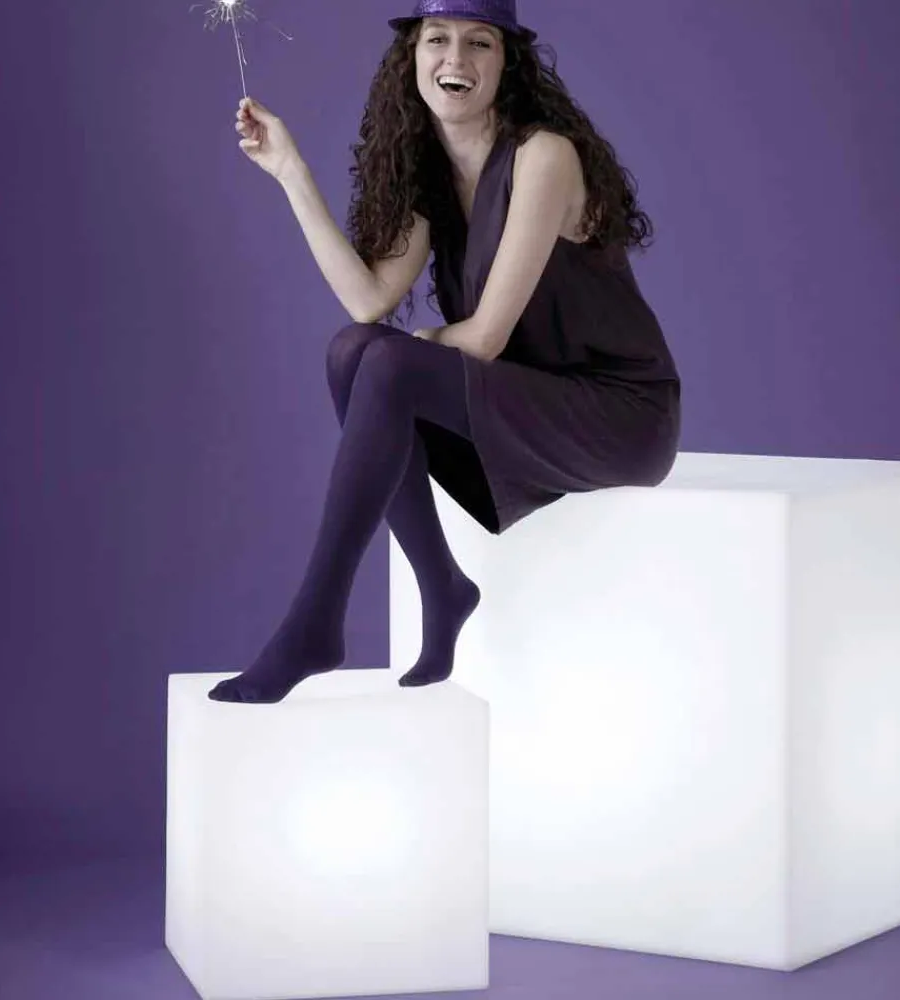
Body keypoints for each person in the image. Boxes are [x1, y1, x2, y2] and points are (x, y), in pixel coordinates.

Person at [208, 0, 681, 704]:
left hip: (619, 414)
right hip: (526, 399)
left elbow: (484, 337)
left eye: (479, 43)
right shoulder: (430, 175)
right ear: (413, 57)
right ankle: (442, 586)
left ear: (506, 63)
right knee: (352, 351)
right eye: (438, 39)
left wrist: (417, 346)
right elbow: (368, 303)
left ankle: (315, 621)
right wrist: (291, 173)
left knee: (386, 362)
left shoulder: (543, 156)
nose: (455, 59)